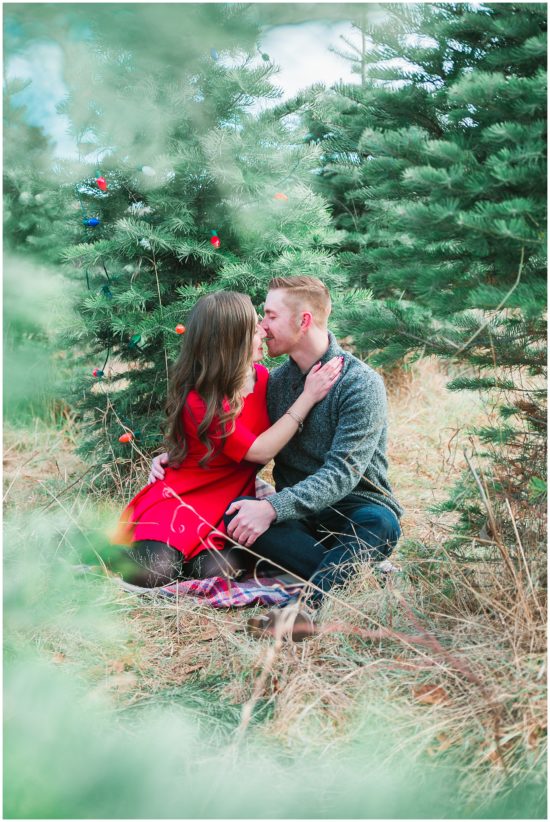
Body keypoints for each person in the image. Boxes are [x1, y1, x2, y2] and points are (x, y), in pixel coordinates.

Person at [151, 277, 403, 639]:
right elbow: (236, 434)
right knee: (238, 516)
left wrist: (272, 507)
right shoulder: (274, 382)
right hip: (297, 516)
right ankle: (356, 572)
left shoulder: (360, 384)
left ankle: (302, 609)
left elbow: (341, 474)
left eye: (269, 316)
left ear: (303, 321)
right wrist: (173, 457)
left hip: (356, 508)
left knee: (381, 525)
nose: (262, 327)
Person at [111, 290, 343, 588]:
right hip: (183, 501)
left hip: (226, 507)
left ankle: (190, 563)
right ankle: (104, 552)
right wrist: (308, 397)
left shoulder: (262, 379)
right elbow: (260, 451)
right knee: (152, 572)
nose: (263, 330)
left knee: (220, 572)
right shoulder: (202, 399)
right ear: (231, 341)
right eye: (254, 327)